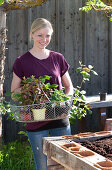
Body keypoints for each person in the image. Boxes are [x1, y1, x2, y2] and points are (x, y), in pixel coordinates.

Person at [11, 18, 73, 170]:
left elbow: (69, 86)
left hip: (59, 116)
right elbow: (14, 93)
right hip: (36, 119)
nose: (44, 39)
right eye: (40, 35)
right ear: (31, 34)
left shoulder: (57, 58)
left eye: (48, 36)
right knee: (42, 166)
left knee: (65, 164)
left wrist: (65, 100)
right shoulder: (22, 61)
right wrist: (32, 89)